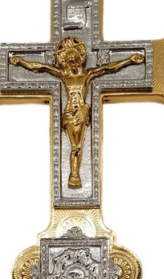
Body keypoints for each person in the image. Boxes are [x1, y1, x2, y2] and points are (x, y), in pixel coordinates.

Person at [10, 37, 144, 188]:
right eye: (69, 59)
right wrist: (20, 61)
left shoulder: (87, 75)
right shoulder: (64, 75)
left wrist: (129, 60)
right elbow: (40, 67)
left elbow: (109, 68)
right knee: (74, 146)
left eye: (74, 59)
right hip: (69, 113)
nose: (72, 62)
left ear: (80, 59)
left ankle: (75, 175)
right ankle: (73, 175)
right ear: (65, 61)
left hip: (81, 111)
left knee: (78, 146)